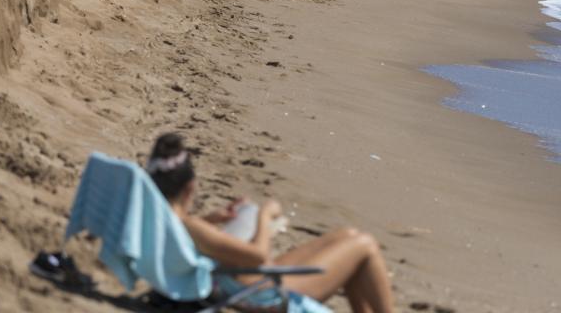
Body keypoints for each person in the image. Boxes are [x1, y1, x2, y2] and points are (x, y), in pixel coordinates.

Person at [146, 133, 394, 313]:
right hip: (262, 295)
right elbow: (258, 256)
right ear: (190, 188)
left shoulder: (163, 220)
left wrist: (214, 219)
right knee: (365, 245)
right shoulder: (190, 225)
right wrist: (265, 217)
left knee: (347, 235)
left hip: (241, 281)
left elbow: (197, 241)